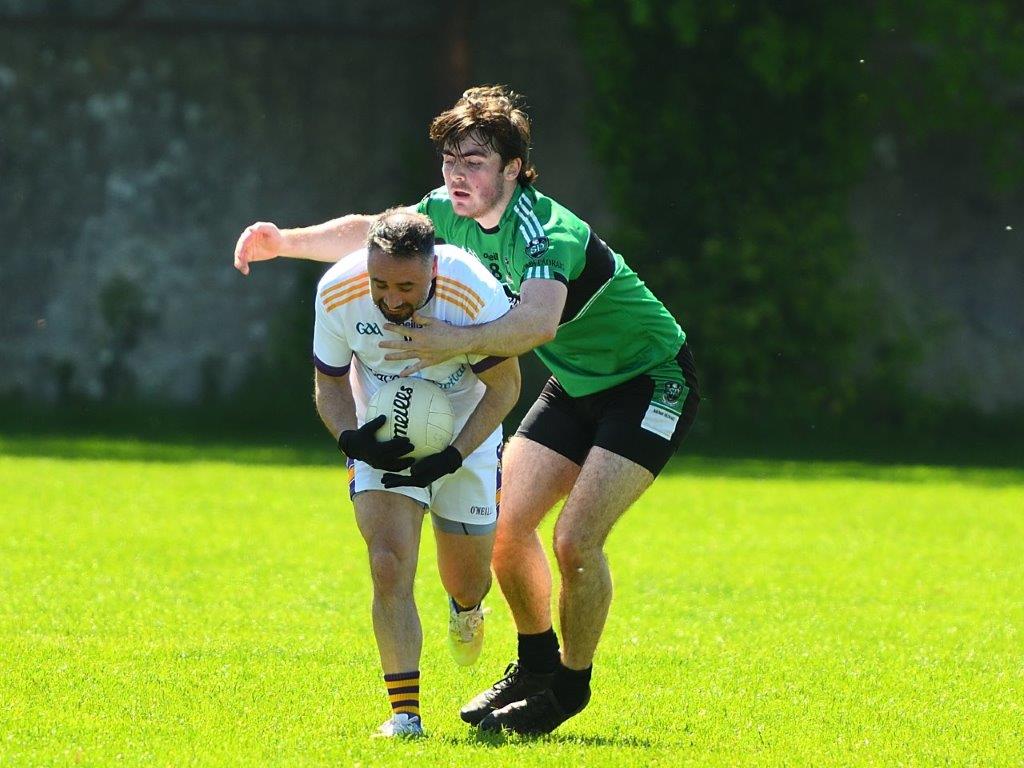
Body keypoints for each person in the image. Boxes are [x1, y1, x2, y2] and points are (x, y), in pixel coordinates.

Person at [234, 86, 699, 736]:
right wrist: (283, 241)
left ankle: (568, 686)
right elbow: (369, 233)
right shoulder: (445, 215)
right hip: (576, 386)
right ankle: (534, 664)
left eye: (475, 160)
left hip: (650, 381)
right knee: (509, 534)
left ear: (512, 168)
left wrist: (449, 342)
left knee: (575, 542)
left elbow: (536, 323)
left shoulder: (546, 230)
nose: (458, 173)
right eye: (451, 159)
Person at [309, 210, 520, 737]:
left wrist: (453, 453)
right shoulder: (338, 292)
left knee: (468, 579)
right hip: (384, 434)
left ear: (433, 271)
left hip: (467, 433)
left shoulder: (472, 291)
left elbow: (505, 388)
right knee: (387, 562)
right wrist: (350, 439)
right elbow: (330, 382)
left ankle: (466, 607)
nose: (391, 298)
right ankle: (405, 715)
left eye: (406, 285)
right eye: (380, 283)